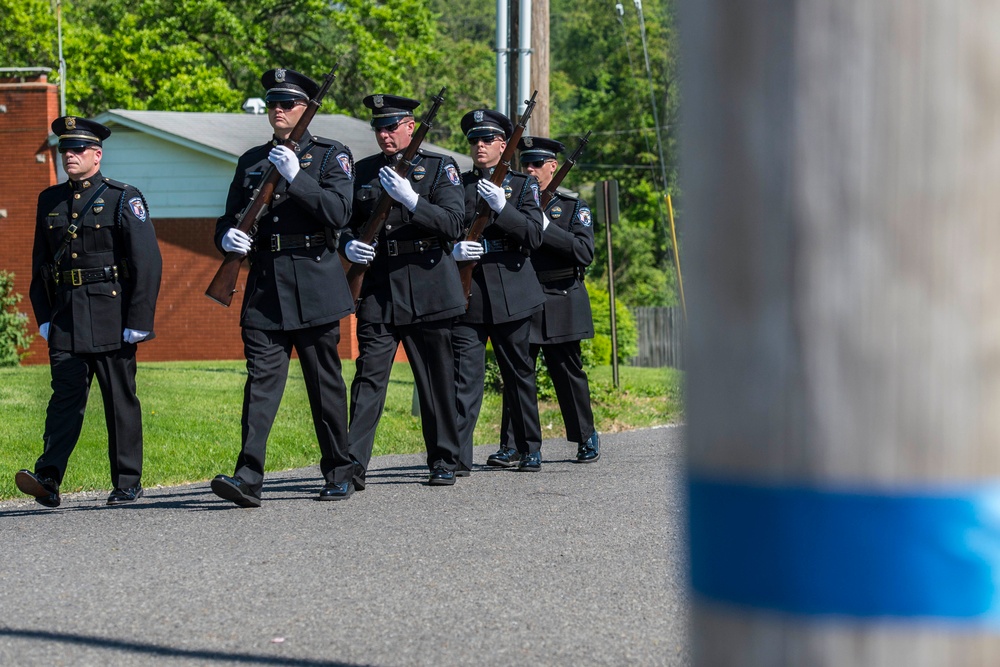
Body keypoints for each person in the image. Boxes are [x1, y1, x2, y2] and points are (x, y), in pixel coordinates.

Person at [210, 68, 355, 507]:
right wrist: (225, 237)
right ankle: (248, 476)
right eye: (273, 102)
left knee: (323, 383)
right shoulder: (252, 160)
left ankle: (339, 470)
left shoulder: (332, 156)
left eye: (287, 103)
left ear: (307, 109)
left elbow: (339, 213)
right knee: (261, 383)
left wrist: (298, 177)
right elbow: (229, 215)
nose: (277, 109)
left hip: (314, 281)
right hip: (265, 285)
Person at [17, 116, 163, 508]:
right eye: (65, 149)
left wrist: (139, 321)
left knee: (119, 400)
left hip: (111, 316)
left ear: (97, 155)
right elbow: (40, 264)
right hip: (66, 316)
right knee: (64, 399)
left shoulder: (122, 197)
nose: (70, 155)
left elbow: (147, 263)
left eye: (78, 149)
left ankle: (127, 480)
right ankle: (48, 476)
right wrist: (44, 316)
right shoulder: (49, 200)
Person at [341, 94, 467, 487]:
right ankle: (351, 466)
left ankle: (445, 458)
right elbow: (344, 221)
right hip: (380, 288)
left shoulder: (438, 168)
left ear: (411, 126)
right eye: (378, 127)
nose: (384, 134)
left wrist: (412, 200)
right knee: (368, 380)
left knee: (435, 380)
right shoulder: (362, 171)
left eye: (391, 126)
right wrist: (348, 244)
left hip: (428, 284)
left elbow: (453, 224)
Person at [452, 109, 546, 473]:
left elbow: (534, 235)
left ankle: (529, 448)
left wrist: (502, 207)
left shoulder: (524, 186)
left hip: (512, 290)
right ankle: (457, 456)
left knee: (519, 374)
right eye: (474, 140)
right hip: (469, 289)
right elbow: (446, 228)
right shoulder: (457, 185)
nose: (479, 145)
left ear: (503, 145)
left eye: (487, 139)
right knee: (464, 378)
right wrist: (454, 249)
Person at [496, 136, 600, 463]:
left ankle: (585, 436)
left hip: (561, 297)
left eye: (537, 164)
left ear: (553, 167)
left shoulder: (571, 206)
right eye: (525, 163)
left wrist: (545, 227)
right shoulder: (513, 202)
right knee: (517, 373)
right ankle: (513, 444)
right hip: (523, 295)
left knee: (567, 373)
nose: (530, 169)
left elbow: (584, 252)